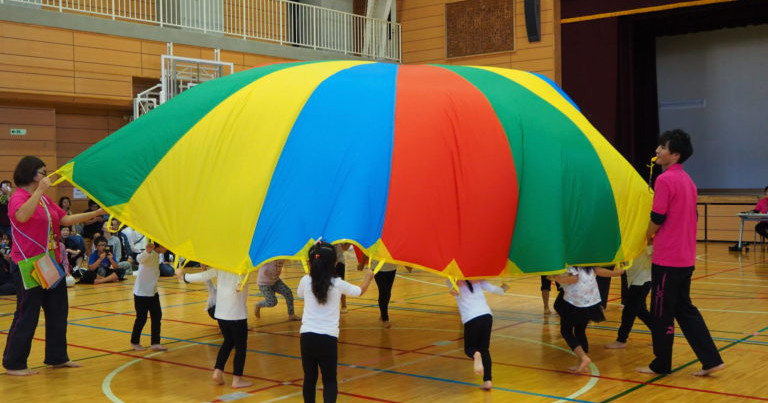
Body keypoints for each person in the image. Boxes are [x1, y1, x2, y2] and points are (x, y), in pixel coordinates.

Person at [3, 156, 106, 376]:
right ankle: (14, 363)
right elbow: (21, 216)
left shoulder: (45, 200)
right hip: (27, 265)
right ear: (31, 174)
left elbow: (65, 220)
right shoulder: (18, 197)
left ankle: (57, 357)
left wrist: (96, 213)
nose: (46, 175)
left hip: (49, 263)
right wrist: (39, 191)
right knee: (27, 314)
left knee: (58, 311)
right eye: (42, 172)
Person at [636, 129, 724, 376]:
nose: (657, 151)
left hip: (668, 259)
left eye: (662, 148)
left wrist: (646, 235)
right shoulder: (689, 181)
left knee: (662, 312)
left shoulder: (664, 180)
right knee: (684, 309)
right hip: (685, 259)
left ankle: (661, 364)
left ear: (674, 154)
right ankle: (711, 359)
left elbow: (657, 217)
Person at [298, 241, 373, 403]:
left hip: (307, 338)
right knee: (330, 380)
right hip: (328, 339)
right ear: (334, 262)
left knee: (309, 379)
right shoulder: (338, 284)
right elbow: (359, 291)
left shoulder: (305, 281)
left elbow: (300, 295)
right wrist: (368, 278)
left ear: (311, 262)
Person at [178, 264, 253, 388]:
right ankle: (237, 380)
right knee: (240, 347)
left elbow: (204, 275)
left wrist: (185, 277)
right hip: (236, 315)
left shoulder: (222, 267)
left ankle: (218, 371)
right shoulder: (243, 268)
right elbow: (241, 281)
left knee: (228, 342)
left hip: (221, 314)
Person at [548, 266, 622, 373]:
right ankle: (582, 363)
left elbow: (573, 278)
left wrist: (556, 277)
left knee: (566, 331)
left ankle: (583, 358)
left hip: (575, 302)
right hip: (590, 302)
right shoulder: (588, 263)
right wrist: (615, 273)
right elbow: (599, 271)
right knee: (580, 330)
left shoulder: (572, 264)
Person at [449, 279, 509, 390]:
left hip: (471, 317)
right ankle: (488, 381)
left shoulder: (452, 278)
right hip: (486, 315)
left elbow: (454, 291)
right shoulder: (477, 277)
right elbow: (494, 289)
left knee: (469, 349)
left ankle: (476, 354)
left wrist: (454, 289)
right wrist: (504, 288)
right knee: (484, 350)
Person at [606, 247, 653, 349]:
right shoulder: (630, 242)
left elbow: (655, 254)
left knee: (629, 311)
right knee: (641, 311)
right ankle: (660, 335)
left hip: (642, 281)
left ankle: (621, 339)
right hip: (634, 280)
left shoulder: (646, 244)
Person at [130, 241, 168, 351]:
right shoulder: (149, 254)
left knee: (157, 316)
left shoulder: (158, 255)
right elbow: (139, 259)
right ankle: (134, 342)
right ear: (159, 246)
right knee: (141, 319)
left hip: (153, 292)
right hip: (141, 293)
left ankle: (155, 342)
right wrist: (147, 251)